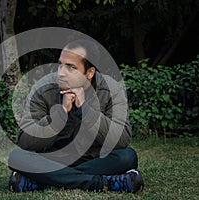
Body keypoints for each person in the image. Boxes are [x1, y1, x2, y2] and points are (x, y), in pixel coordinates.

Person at [8, 39, 144, 193]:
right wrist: (60, 113)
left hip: (94, 159)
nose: (61, 72)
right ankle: (102, 183)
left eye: (71, 67)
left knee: (127, 157)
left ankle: (45, 180)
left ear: (90, 73)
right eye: (60, 64)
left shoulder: (111, 89)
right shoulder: (43, 88)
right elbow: (25, 140)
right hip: (53, 158)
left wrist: (86, 109)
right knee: (17, 157)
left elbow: (123, 138)